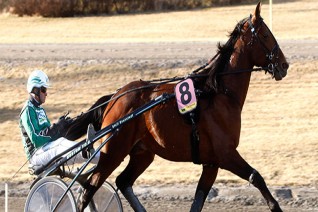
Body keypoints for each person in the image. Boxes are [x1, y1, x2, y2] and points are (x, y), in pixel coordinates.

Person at [19, 70, 99, 168]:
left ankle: (100, 158)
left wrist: (64, 127)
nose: (46, 94)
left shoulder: (40, 109)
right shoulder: (28, 109)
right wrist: (57, 127)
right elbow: (36, 140)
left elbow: (49, 135)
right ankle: (91, 154)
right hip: (36, 156)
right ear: (35, 90)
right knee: (60, 144)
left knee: (63, 141)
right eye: (44, 90)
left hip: (46, 151)